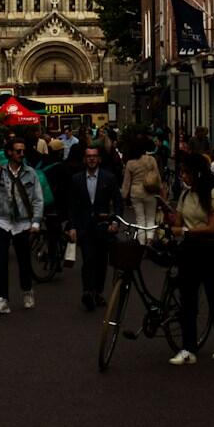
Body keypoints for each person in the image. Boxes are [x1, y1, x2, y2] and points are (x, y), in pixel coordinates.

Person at [169, 154, 214, 364]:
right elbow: (176, 223)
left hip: (211, 253)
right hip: (189, 253)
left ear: (196, 173)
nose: (182, 176)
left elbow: (212, 227)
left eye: (186, 172)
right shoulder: (184, 196)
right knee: (188, 301)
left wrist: (186, 231)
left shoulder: (213, 194)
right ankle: (188, 348)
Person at [0, 137, 45, 314]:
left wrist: (36, 221)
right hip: (2, 221)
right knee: (1, 262)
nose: (21, 154)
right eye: (18, 151)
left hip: (23, 223)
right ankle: (3, 299)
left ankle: (27, 291)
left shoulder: (31, 173)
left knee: (24, 262)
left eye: (23, 151)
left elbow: (38, 199)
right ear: (9, 152)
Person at [66, 144, 122, 310]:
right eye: (88, 156)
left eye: (94, 156)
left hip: (103, 227)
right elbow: (72, 205)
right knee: (88, 259)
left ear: (99, 159)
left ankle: (97, 291)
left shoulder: (108, 178)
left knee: (101, 261)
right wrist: (73, 226)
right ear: (84, 159)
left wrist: (115, 222)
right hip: (84, 227)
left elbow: (118, 202)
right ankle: (87, 292)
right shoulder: (76, 179)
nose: (91, 159)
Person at [120, 132, 164, 236]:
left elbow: (126, 183)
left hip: (136, 192)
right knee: (150, 219)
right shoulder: (151, 160)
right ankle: (149, 241)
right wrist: (161, 191)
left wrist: (124, 196)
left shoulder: (130, 163)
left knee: (140, 220)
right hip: (150, 191)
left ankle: (141, 244)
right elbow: (158, 177)